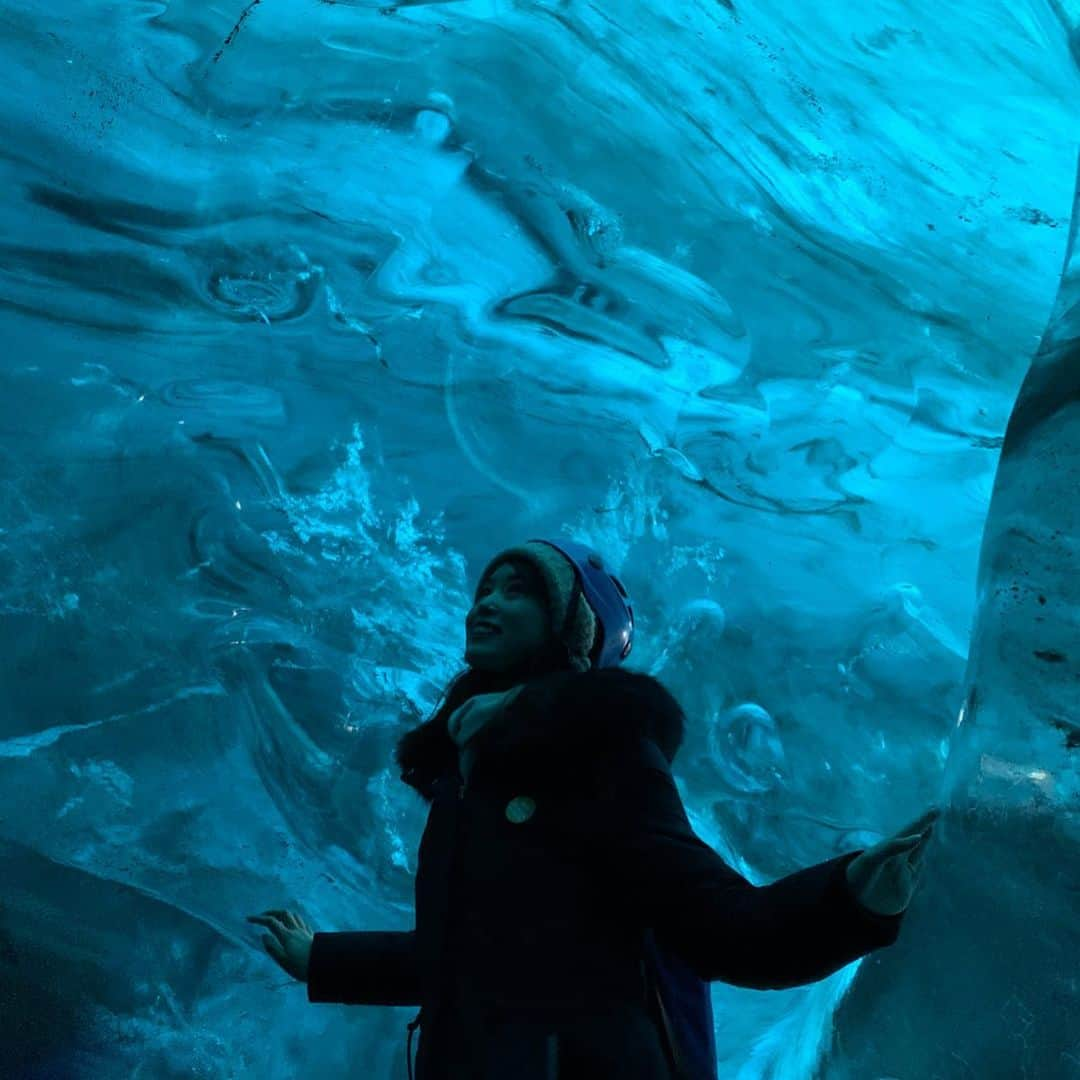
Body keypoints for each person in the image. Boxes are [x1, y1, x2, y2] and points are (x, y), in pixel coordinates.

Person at [248, 539, 938, 1079]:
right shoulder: (465, 785)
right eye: (485, 587)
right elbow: (456, 960)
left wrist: (851, 899)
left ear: (570, 630)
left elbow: (720, 924)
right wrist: (324, 961)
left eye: (517, 592)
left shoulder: (600, 748)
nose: (484, 603)